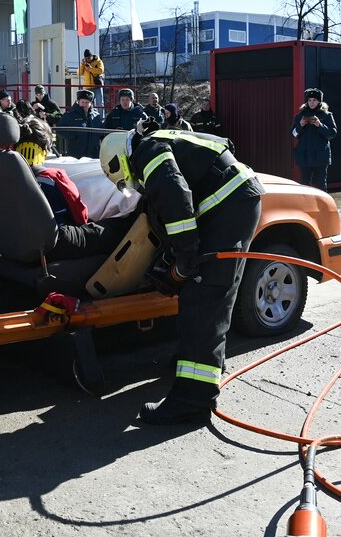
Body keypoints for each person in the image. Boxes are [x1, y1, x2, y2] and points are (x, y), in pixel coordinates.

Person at [99, 120, 264, 425]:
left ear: (120, 161)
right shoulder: (159, 141)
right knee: (212, 294)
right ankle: (202, 364)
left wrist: (186, 256)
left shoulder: (147, 151)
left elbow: (174, 194)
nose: (134, 181)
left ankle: (192, 400)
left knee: (204, 297)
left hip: (228, 205)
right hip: (234, 201)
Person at [291, 88, 337, 192]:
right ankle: (304, 206)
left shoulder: (327, 115)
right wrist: (300, 125)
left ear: (320, 101)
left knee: (321, 184)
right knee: (304, 184)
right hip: (304, 156)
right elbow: (294, 134)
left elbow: (332, 133)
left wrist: (320, 125)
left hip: (320, 157)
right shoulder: (299, 116)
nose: (312, 102)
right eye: (309, 100)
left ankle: (322, 206)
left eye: (314, 100)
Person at [56, 89, 103, 158]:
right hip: (76, 153)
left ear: (91, 103)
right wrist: (73, 135)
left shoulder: (96, 116)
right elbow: (60, 129)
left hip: (93, 154)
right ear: (78, 102)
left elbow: (101, 131)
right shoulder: (70, 114)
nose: (84, 104)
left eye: (87, 102)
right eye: (82, 102)